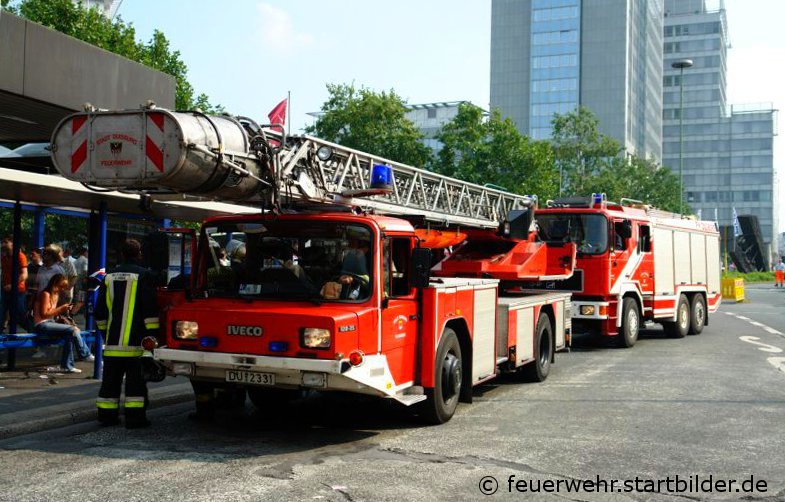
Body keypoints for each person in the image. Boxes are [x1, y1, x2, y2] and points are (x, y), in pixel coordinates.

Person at [94, 239, 160, 429]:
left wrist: (106, 334)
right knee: (135, 386)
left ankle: (107, 417)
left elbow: (99, 312)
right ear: (139, 254)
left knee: (109, 385)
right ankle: (135, 419)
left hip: (112, 346)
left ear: (122, 254)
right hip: (136, 346)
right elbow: (150, 312)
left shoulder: (108, 277)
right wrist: (152, 339)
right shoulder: (144, 276)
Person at [32, 274, 92, 373]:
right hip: (41, 324)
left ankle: (67, 366)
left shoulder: (56, 295)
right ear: (54, 284)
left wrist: (68, 309)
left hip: (50, 322)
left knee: (69, 336)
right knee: (73, 329)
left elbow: (53, 313)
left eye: (64, 287)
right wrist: (61, 308)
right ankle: (85, 354)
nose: (62, 290)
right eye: (61, 287)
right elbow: (44, 314)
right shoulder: (45, 294)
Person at [0, 236, 28, 334]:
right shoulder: (3, 257)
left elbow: (24, 275)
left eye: (5, 242)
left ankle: (34, 332)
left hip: (18, 291)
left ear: (12, 244)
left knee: (20, 315)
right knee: (2, 314)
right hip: (5, 290)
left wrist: (12, 285)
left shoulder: (20, 256)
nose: (3, 244)